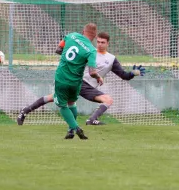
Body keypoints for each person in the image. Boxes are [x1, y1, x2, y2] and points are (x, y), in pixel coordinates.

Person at [17, 32, 146, 127]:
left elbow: (123, 75)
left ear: (108, 43)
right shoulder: (89, 51)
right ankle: (91, 120)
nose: (100, 44)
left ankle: (25, 110)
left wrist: (134, 73)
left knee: (53, 98)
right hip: (78, 82)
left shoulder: (111, 59)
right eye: (98, 41)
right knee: (107, 99)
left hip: (86, 87)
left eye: (103, 42)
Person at [27, 23, 103, 140]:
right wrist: (98, 77)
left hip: (62, 78)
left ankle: (76, 128)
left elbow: (58, 50)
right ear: (95, 35)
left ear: (83, 31)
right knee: (71, 103)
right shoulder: (92, 50)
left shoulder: (71, 36)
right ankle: (70, 131)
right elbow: (92, 72)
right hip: (76, 82)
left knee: (62, 105)